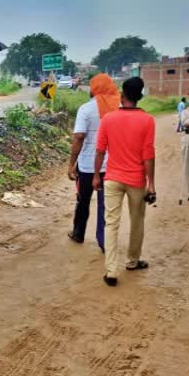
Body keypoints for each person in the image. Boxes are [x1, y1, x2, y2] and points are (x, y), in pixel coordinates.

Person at [94, 77, 156, 287]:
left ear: (122, 96)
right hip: (136, 179)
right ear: (139, 97)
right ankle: (132, 260)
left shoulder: (108, 119)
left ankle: (111, 270)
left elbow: (100, 151)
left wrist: (96, 176)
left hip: (112, 178)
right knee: (137, 220)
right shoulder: (147, 120)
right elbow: (148, 154)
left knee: (111, 223)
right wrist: (151, 184)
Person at [67, 73, 120, 252]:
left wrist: (71, 163)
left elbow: (79, 137)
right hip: (111, 166)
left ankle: (78, 233)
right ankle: (104, 241)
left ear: (94, 89)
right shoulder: (119, 108)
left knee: (83, 201)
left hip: (88, 165)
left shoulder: (85, 109)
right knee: (106, 205)